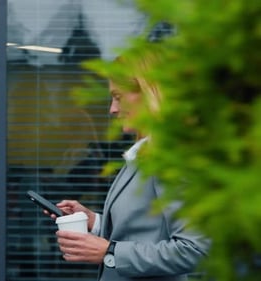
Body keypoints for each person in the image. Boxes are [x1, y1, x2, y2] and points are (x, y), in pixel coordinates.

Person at [45, 52, 210, 281]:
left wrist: (109, 252)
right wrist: (94, 221)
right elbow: (144, 232)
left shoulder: (172, 158)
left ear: (149, 93)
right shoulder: (142, 156)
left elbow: (195, 250)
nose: (112, 109)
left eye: (118, 97)